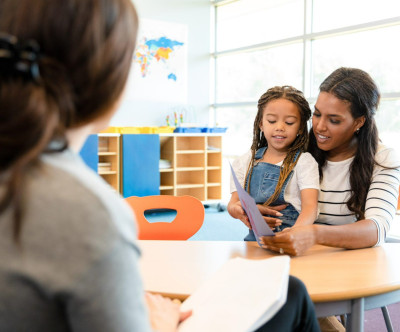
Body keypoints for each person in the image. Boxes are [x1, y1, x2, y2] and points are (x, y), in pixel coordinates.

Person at [0, 1, 320, 331]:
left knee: (290, 290)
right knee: (290, 295)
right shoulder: (93, 213)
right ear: (113, 84)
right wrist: (163, 322)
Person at [260, 67, 400, 256]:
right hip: (292, 257)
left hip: (348, 263)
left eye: (334, 120)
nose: (319, 127)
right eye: (317, 114)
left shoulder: (382, 159)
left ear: (359, 122)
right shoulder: (297, 149)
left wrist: (314, 234)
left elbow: (377, 229)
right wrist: (259, 210)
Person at [228, 86, 319, 241]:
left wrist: (294, 234)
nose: (279, 127)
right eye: (271, 121)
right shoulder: (245, 161)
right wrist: (241, 212)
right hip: (255, 241)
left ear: (300, 128)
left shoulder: (304, 162)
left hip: (294, 240)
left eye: (289, 122)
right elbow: (232, 204)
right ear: (261, 124)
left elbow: (310, 208)